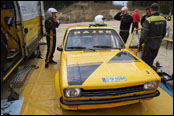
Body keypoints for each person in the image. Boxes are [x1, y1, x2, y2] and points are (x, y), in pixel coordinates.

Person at [139, 3, 166, 67]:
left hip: (149, 42)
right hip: (158, 42)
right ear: (158, 9)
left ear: (150, 9)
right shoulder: (163, 19)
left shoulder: (149, 20)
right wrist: (159, 39)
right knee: (152, 59)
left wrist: (141, 42)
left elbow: (144, 34)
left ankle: (147, 74)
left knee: (146, 61)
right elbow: (164, 33)